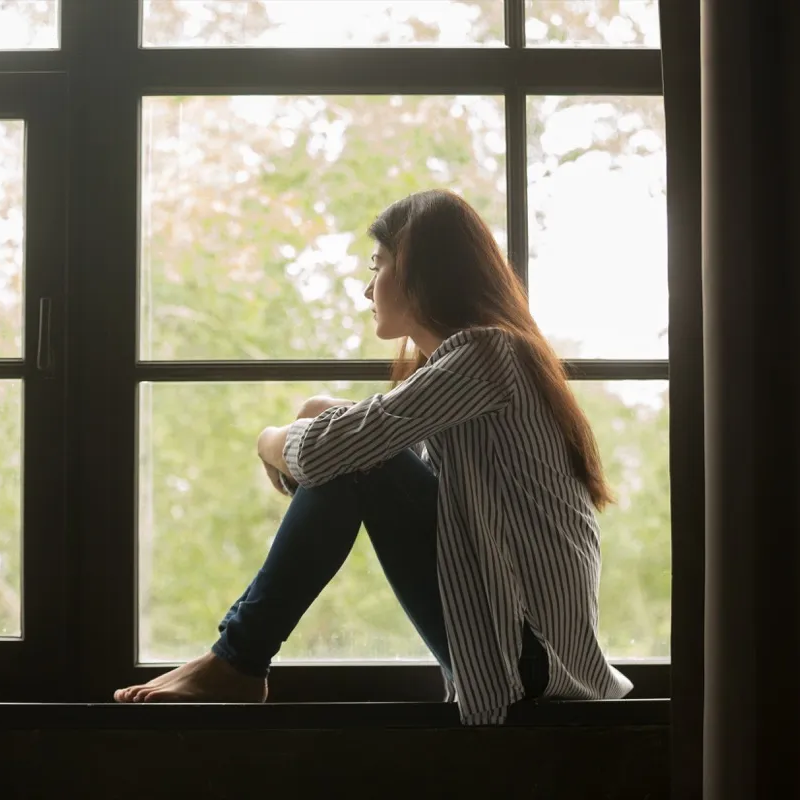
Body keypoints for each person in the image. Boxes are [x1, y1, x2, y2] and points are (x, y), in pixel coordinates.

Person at [114, 188, 633, 724]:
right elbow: (370, 447)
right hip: (519, 655)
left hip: (528, 662)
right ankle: (235, 660)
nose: (367, 288)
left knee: (357, 459)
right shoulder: (487, 364)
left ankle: (238, 661)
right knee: (352, 450)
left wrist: (270, 439)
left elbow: (334, 453)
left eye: (378, 265)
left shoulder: (487, 354)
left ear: (419, 270)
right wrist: (317, 414)